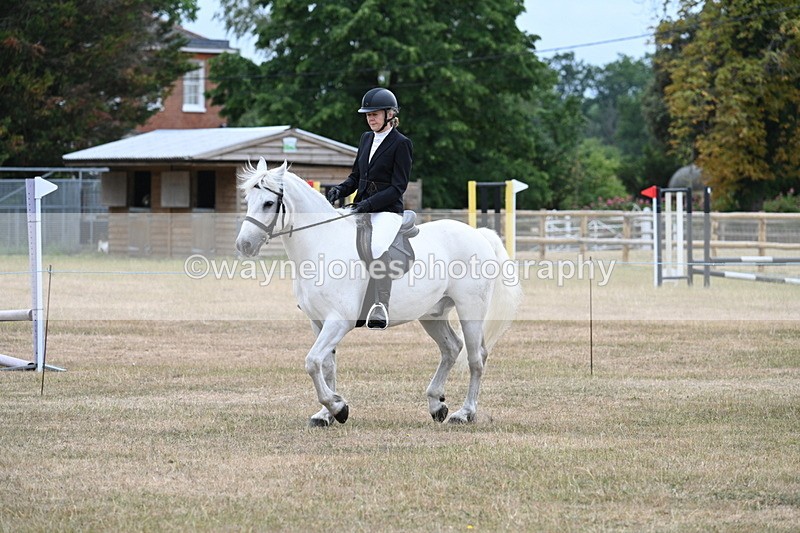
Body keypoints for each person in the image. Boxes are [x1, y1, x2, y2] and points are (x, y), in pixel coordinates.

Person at [326, 87, 413, 329]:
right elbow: (356, 176)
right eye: (368, 115)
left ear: (389, 114)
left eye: (375, 114)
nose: (370, 118)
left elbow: (398, 188)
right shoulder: (366, 139)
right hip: (362, 208)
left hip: (387, 212)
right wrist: (340, 190)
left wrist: (368, 204)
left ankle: (380, 305)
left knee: (375, 247)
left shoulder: (401, 144)